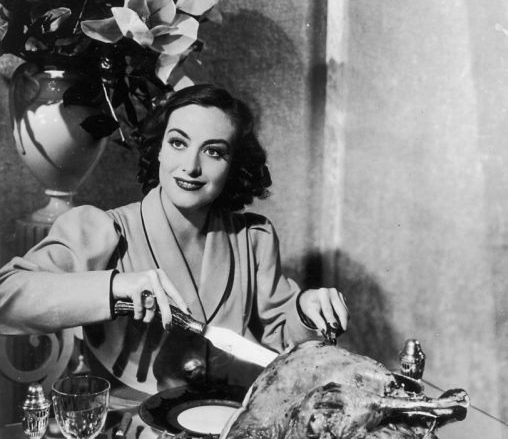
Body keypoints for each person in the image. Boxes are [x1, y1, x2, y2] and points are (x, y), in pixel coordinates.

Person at [0, 84, 348, 396]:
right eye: (178, 143)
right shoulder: (102, 230)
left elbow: (279, 339)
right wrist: (115, 286)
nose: (191, 166)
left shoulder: (251, 238)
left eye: (213, 152)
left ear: (233, 165)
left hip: (223, 425)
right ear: (159, 150)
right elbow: (7, 296)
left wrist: (305, 311)